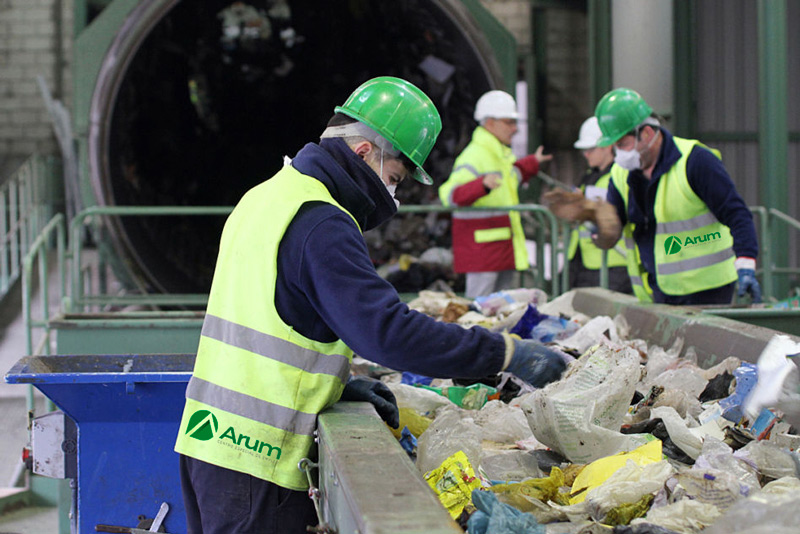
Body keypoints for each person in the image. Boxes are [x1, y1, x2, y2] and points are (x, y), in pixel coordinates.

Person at [173, 76, 567, 534]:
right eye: (395, 178)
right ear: (363, 153)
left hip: (208, 444)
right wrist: (502, 353)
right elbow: (386, 332)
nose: (393, 196)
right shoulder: (321, 221)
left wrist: (331, 388)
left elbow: (280, 317)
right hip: (260, 460)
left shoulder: (265, 197)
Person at [548, 88, 761, 305]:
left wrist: (746, 264)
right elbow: (614, 224)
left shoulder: (695, 162)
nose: (619, 154)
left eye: (622, 144)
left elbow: (737, 214)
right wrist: (594, 218)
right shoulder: (621, 174)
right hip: (656, 290)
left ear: (647, 133)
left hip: (707, 290)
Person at [438, 89, 552, 299]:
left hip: (498, 248)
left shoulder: (497, 154)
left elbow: (511, 177)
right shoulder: (475, 155)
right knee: (479, 311)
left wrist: (532, 163)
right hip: (483, 252)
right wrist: (481, 185)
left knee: (500, 310)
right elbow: (450, 195)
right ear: (490, 123)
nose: (515, 129)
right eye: (509, 122)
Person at [562, 117, 632, 294]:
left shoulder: (618, 177)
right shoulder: (591, 176)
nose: (586, 154)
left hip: (612, 263)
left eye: (591, 149)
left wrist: (579, 207)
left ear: (608, 146)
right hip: (588, 261)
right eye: (584, 150)